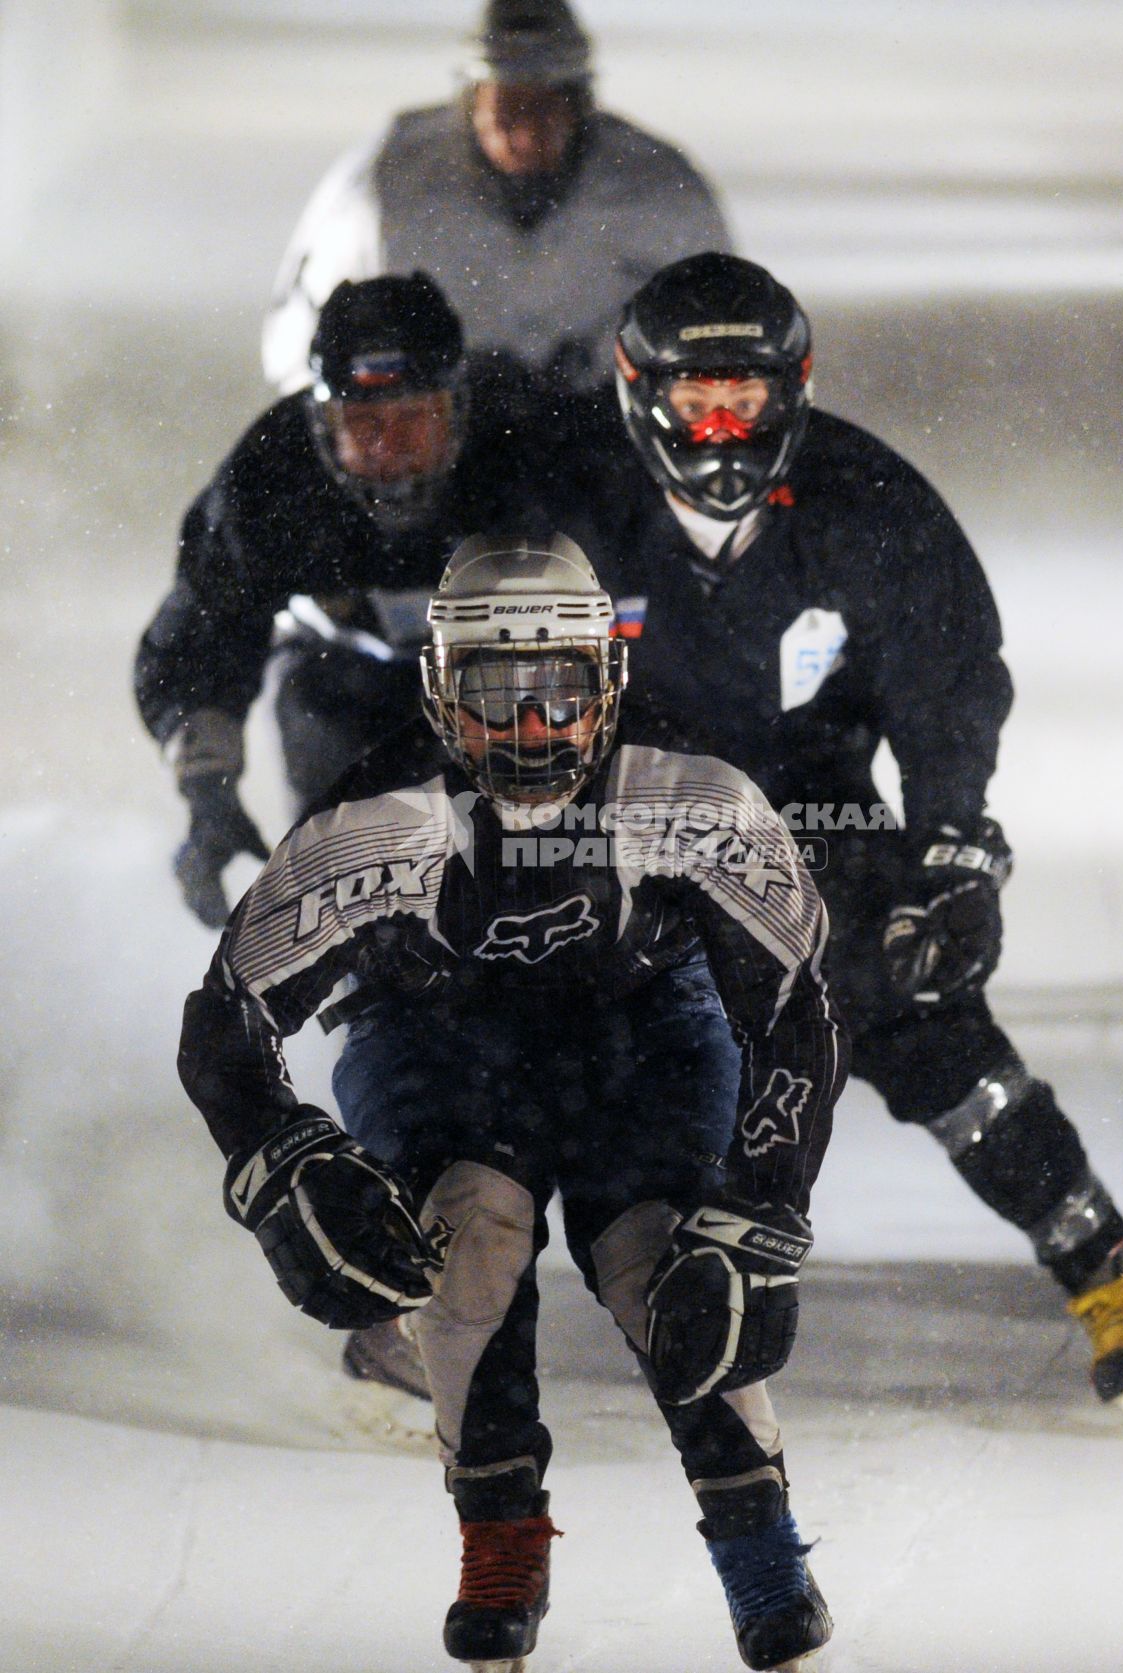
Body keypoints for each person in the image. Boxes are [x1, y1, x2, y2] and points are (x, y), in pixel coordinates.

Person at [539, 251, 1123, 1433]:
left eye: (749, 396)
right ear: (639, 394)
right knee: (513, 1027)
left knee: (916, 1003)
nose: (724, 428)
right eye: (698, 400)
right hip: (613, 816)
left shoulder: (868, 503)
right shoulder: (565, 499)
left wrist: (949, 856)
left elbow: (945, 691)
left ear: (795, 392)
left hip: (816, 806)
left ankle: (1107, 1268)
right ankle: (432, 1302)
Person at [176, 535, 845, 1672]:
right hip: (432, 1031)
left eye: (559, 692)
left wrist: (758, 1211)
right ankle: (498, 1536)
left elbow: (795, 1010)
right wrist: (281, 1159)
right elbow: (224, 1021)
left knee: (669, 1256)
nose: (533, 728)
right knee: (466, 1240)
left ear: (607, 684)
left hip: (644, 1028)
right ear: (441, 689)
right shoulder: (375, 820)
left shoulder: (692, 798)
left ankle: (761, 1548)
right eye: (497, 694)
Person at [135, 271, 526, 933]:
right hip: (339, 685)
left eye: (413, 420)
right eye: (363, 423)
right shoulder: (272, 476)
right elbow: (201, 636)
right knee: (358, 894)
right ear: (320, 424)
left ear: (459, 410)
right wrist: (209, 795)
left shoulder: (531, 444)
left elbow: (651, 601)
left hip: (522, 688)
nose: (388, 449)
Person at [261, 0, 731, 402]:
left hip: (614, 436)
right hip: (427, 439)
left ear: (579, 106)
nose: (525, 132)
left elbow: (728, 334)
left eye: (544, 108)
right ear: (470, 105)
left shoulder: (660, 191)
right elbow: (303, 338)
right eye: (507, 109)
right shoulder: (382, 187)